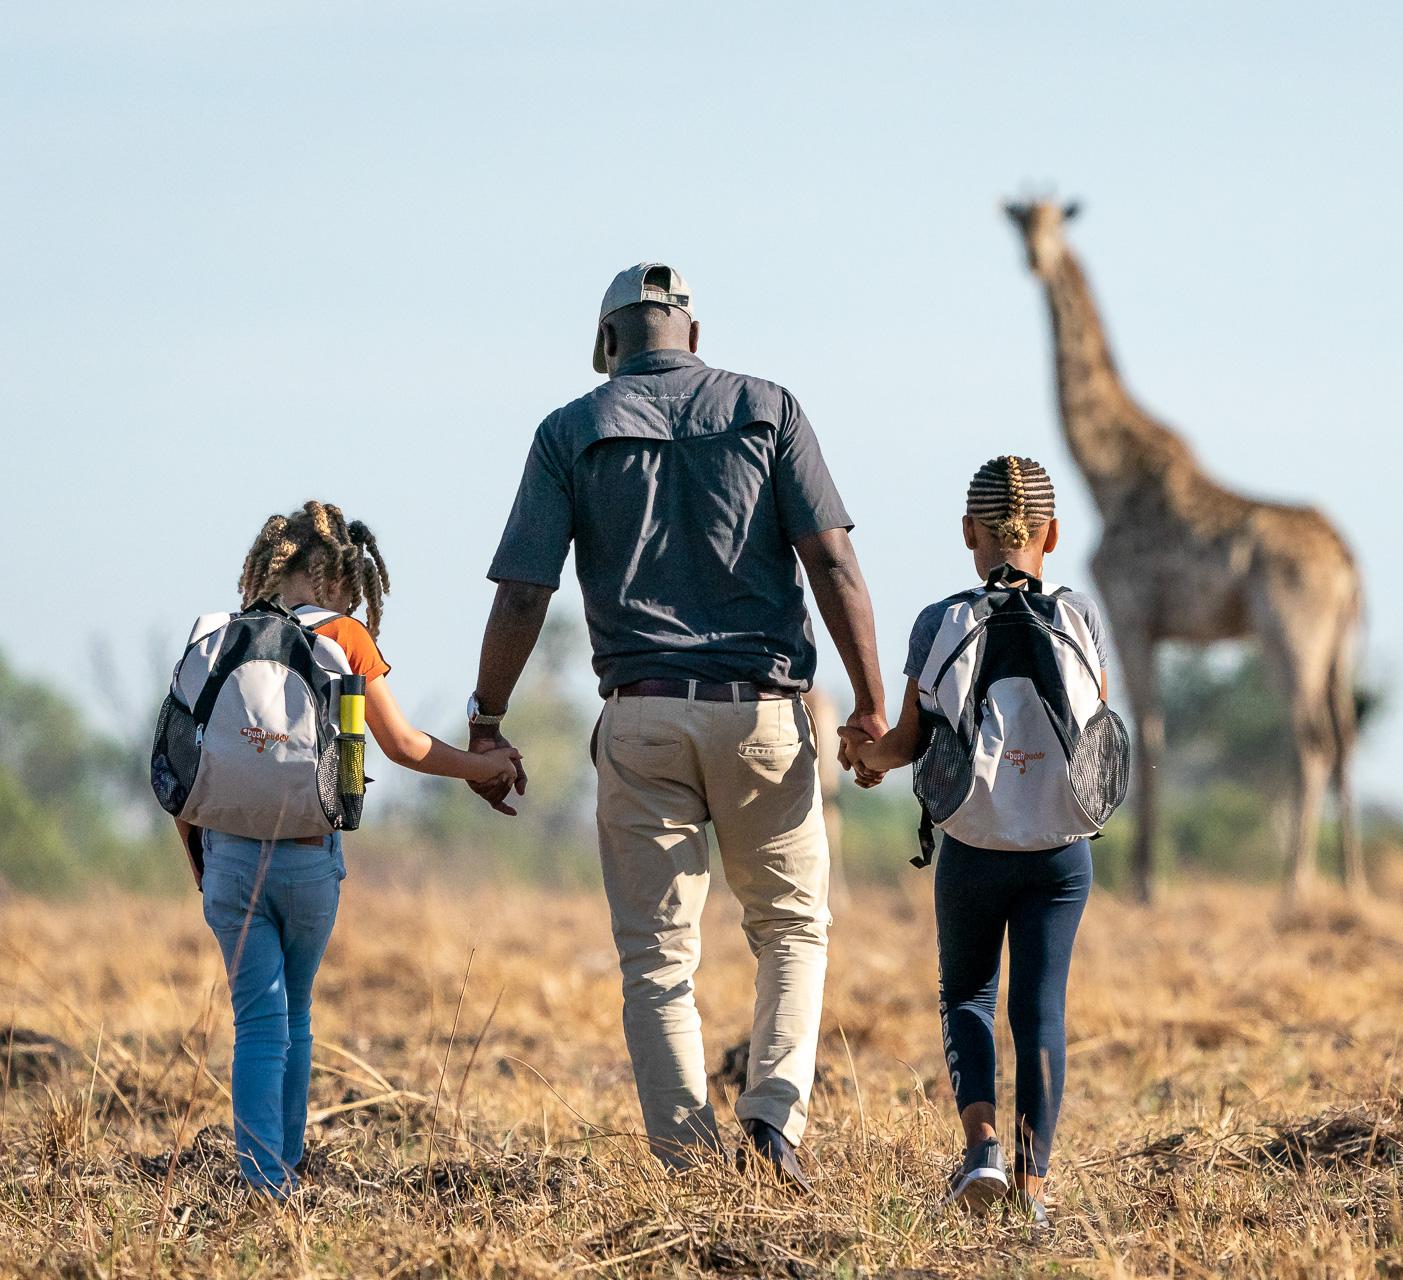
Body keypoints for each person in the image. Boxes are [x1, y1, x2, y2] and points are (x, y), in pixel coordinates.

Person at [469, 262, 887, 1182]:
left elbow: (522, 596)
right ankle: (774, 1126)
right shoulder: (769, 409)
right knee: (790, 930)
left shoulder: (569, 432)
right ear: (693, 336)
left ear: (608, 346)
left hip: (642, 718)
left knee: (657, 958)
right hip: (765, 715)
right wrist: (869, 704)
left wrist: (487, 721)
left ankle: (692, 1169)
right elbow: (836, 565)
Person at [187, 502, 521, 1195]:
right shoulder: (345, 638)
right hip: (310, 857)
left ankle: (261, 1182)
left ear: (274, 570)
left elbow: (180, 769)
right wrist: (485, 766)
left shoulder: (220, 639)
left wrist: (204, 863)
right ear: (334, 578)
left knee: (257, 1019)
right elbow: (402, 746)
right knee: (296, 1010)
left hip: (226, 857)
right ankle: (287, 1162)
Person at [855, 456, 1106, 1228]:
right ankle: (1032, 1190)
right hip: (1062, 851)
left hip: (972, 843)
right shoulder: (1081, 617)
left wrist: (862, 757)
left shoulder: (940, 622)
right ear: (1052, 535)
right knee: (1041, 1010)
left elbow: (904, 743)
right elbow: (1096, 736)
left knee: (967, 993)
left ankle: (982, 1153)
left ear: (968, 533)